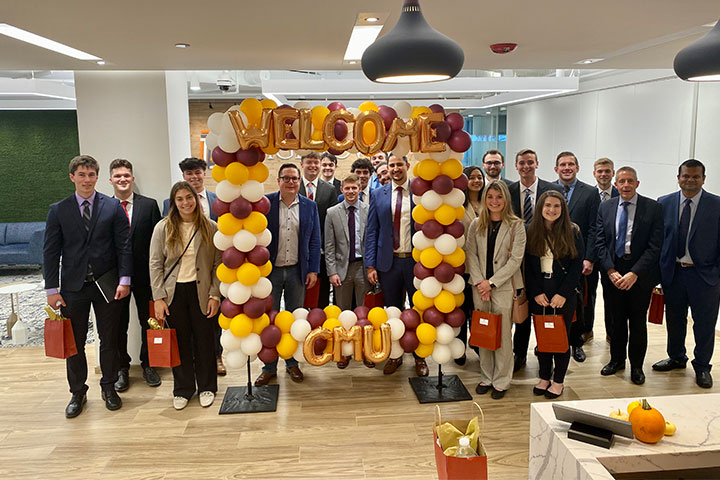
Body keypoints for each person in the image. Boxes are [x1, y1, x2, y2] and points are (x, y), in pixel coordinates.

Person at [43, 155, 132, 418]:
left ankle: (108, 387)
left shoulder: (113, 207)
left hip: (107, 284)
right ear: (72, 177)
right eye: (81, 175)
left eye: (91, 175)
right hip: (73, 287)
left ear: (97, 177)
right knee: (75, 343)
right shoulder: (59, 210)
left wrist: (124, 280)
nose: (87, 180)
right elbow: (51, 252)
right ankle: (78, 392)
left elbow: (124, 247)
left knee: (109, 339)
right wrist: (51, 290)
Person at [149, 181, 221, 410]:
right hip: (174, 293)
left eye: (188, 198)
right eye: (179, 199)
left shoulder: (211, 227)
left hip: (202, 291)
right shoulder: (163, 228)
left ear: (196, 199)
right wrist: (158, 297)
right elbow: (155, 264)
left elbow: (218, 265)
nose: (185, 203)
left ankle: (207, 387)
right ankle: (183, 388)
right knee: (179, 343)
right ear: (174, 203)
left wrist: (215, 295)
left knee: (205, 341)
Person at [654, 159, 720, 389]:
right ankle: (676, 357)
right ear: (678, 177)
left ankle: (702, 366)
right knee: (674, 320)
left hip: (704, 277)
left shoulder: (716, 205)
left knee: (704, 324)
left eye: (695, 177)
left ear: (703, 178)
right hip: (673, 273)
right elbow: (658, 240)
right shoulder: (664, 203)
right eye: (686, 176)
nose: (690, 180)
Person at [255, 163, 321, 386]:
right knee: (270, 320)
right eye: (287, 178)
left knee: (295, 320)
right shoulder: (266, 204)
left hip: (297, 271)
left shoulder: (310, 206)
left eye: (295, 178)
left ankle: (292, 364)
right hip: (270, 272)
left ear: (300, 181)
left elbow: (314, 241)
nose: (291, 182)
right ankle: (268, 367)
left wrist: (313, 269)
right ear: (279, 181)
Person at [596, 166, 663, 385]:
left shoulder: (653, 208)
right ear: (615, 184)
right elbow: (600, 242)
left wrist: (634, 273)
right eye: (621, 181)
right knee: (615, 321)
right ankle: (616, 361)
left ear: (637, 183)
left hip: (640, 276)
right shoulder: (605, 207)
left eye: (630, 181)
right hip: (612, 273)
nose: (625, 185)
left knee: (637, 322)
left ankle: (636, 366)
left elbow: (655, 247)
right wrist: (610, 270)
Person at [366, 155, 428, 376]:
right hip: (387, 263)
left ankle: (420, 356)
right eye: (391, 165)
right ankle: (396, 355)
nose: (395, 169)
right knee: (392, 311)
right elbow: (371, 231)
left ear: (407, 166)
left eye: (399, 164)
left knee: (418, 310)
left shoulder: (420, 193)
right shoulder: (377, 194)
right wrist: (370, 265)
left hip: (416, 262)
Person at [161, 157, 224, 375]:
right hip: (179, 282)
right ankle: (186, 378)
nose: (194, 177)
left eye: (197, 172)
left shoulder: (218, 200)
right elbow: (161, 254)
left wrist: (215, 291)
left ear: (204, 173)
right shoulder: (166, 216)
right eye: (189, 173)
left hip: (208, 277)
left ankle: (216, 357)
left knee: (209, 327)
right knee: (183, 333)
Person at [465, 180, 526, 399]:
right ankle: (486, 377)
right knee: (483, 333)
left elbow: (515, 260)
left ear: (506, 200)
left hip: (502, 287)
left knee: (502, 336)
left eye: (499, 197)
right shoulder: (476, 224)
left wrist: (491, 283)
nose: (494, 201)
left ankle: (501, 380)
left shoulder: (516, 225)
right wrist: (481, 282)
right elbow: (470, 254)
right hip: (479, 287)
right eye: (490, 197)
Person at [108, 159, 162, 391]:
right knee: (118, 325)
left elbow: (159, 244)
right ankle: (122, 369)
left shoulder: (149, 205)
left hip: (145, 277)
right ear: (110, 180)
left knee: (148, 322)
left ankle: (149, 364)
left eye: (126, 175)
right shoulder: (104, 207)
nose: (122, 179)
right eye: (118, 176)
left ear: (132, 179)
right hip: (114, 278)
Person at [507, 148, 563, 372]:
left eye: (530, 162)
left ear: (537, 164)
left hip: (544, 259)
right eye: (522, 163)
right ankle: (519, 353)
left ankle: (545, 350)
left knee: (544, 308)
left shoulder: (553, 189)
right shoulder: (508, 190)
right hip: (515, 261)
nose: (526, 166)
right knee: (520, 308)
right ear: (516, 165)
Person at [525, 191, 584, 399]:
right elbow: (529, 268)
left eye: (557, 206)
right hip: (540, 289)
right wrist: (536, 292)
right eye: (547, 205)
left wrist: (563, 294)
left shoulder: (573, 231)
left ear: (563, 208)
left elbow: (577, 267)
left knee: (560, 338)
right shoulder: (531, 231)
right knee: (542, 336)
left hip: (562, 293)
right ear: (540, 208)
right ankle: (543, 377)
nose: (552, 210)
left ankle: (558, 380)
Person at [554, 151, 600, 363]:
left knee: (579, 304)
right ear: (556, 169)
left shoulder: (590, 193)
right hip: (553, 260)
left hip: (580, 260)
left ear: (577, 168)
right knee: (553, 303)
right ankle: (550, 342)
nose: (567, 168)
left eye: (571, 164)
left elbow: (594, 228)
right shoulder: (549, 190)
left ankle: (576, 343)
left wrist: (589, 258)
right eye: (562, 164)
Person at [325, 174, 372, 368]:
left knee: (363, 313)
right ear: (342, 190)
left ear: (359, 189)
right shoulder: (332, 213)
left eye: (354, 188)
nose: (351, 191)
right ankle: (343, 352)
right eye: (347, 188)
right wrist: (331, 271)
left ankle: (366, 350)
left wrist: (372, 267)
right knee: (344, 313)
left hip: (363, 268)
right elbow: (329, 246)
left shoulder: (369, 210)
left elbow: (371, 242)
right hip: (341, 270)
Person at [299, 152, 338, 309]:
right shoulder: (294, 186)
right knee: (299, 294)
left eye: (316, 162)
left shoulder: (329, 190)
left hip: (321, 251)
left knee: (320, 297)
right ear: (302, 164)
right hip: (297, 251)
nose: (313, 166)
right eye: (309, 162)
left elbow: (332, 223)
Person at [456, 165, 485, 365]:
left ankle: (479, 344)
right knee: (461, 309)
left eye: (479, 177)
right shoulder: (458, 204)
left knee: (479, 309)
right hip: (461, 267)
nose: (476, 181)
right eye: (472, 177)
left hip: (484, 267)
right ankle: (460, 348)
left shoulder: (489, 202)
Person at [592, 158, 619, 343]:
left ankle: (612, 332)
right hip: (592, 253)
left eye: (607, 171)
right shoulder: (588, 194)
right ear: (594, 173)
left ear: (613, 173)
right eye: (600, 171)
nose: (603, 174)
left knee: (611, 298)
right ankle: (587, 330)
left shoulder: (622, 193)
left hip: (613, 256)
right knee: (589, 294)